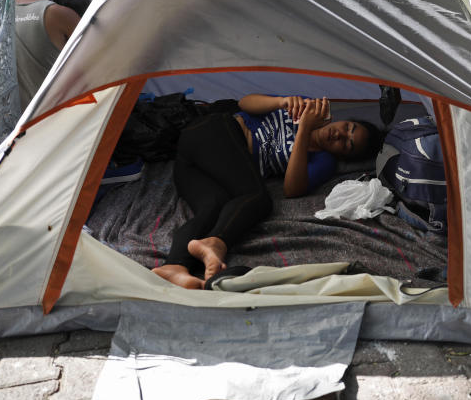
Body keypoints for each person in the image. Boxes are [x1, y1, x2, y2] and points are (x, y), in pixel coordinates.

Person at [152, 94, 383, 290]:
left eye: (347, 144)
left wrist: (304, 129)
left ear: (343, 156)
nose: (340, 135)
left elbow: (292, 189)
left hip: (194, 164)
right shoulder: (304, 106)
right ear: (344, 120)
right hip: (216, 130)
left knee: (212, 208)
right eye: (348, 128)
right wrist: (281, 102)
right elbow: (244, 103)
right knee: (258, 198)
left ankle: (174, 266)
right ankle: (217, 243)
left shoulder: (323, 161)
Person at [14, 0, 81, 107]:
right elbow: (94, 56)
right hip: (52, 113)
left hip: (16, 115)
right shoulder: (58, 14)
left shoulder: (2, 12)